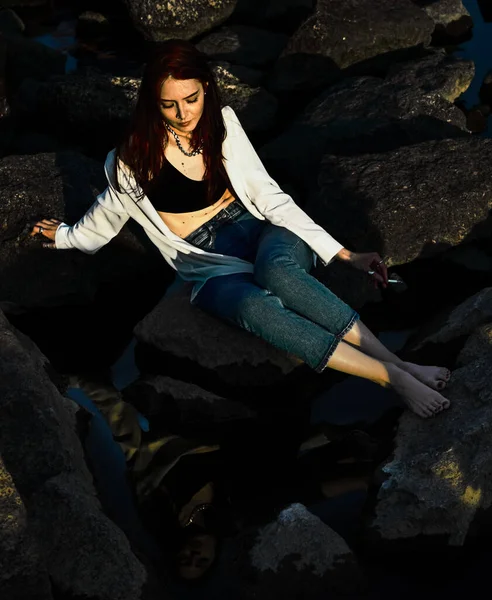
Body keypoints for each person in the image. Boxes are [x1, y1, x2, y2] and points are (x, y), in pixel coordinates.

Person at [32, 39, 451, 419]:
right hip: (208, 264)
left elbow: (269, 196)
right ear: (151, 104)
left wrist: (346, 255)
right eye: (169, 105)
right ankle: (391, 376)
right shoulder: (129, 162)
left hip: (261, 231)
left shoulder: (224, 124)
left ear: (207, 89)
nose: (183, 114)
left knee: (278, 274)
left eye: (191, 99)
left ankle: (398, 365)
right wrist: (63, 236)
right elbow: (100, 227)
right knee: (254, 309)